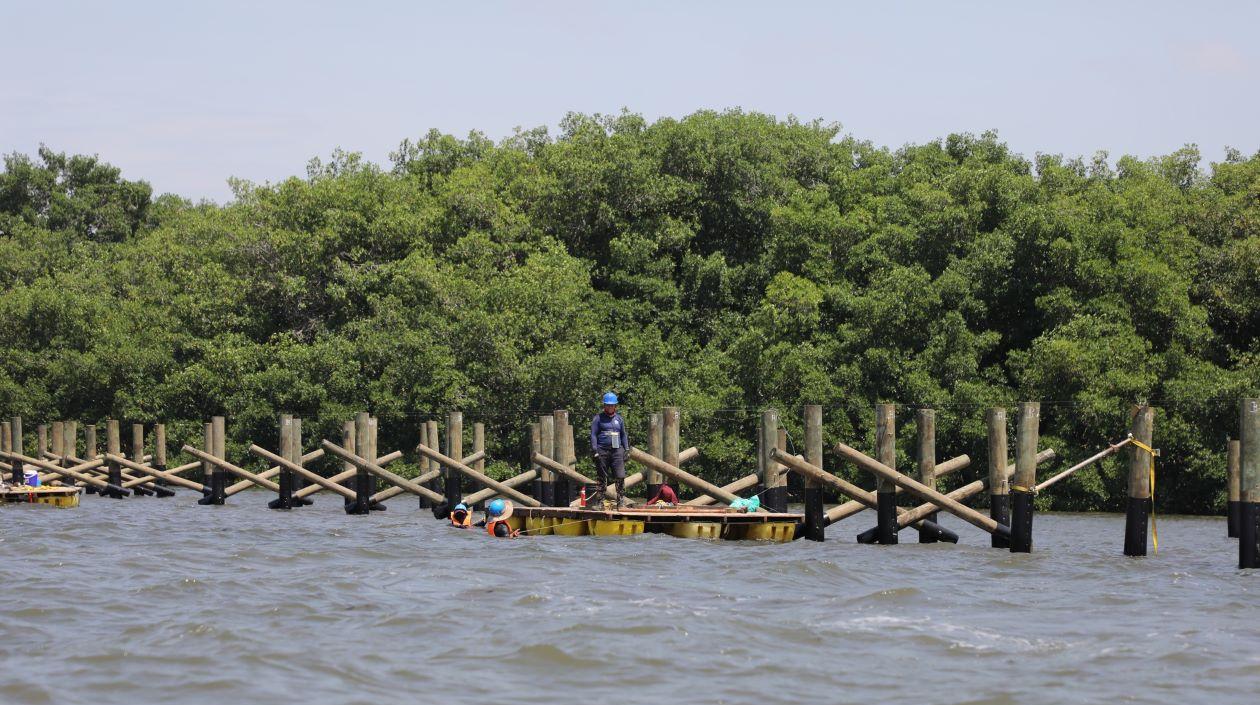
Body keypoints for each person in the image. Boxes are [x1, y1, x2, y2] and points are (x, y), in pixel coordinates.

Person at [590, 392, 628, 508]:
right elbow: (593, 435)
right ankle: (599, 502)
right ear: (604, 406)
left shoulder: (619, 419)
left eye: (612, 405)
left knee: (620, 475)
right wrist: (594, 449)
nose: (610, 407)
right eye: (608, 405)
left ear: (615, 406)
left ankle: (620, 501)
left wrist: (626, 449)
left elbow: (623, 435)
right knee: (601, 476)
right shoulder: (598, 419)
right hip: (602, 450)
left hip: (617, 451)